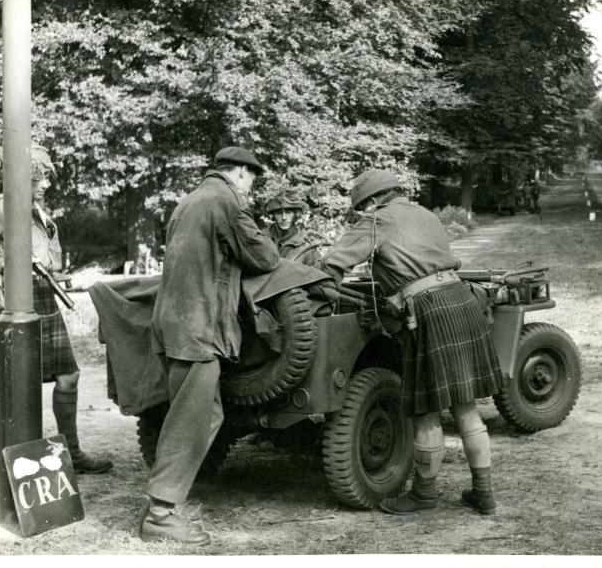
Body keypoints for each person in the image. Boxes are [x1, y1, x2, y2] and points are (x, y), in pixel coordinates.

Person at [317, 169, 504, 516]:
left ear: (371, 201)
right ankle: (485, 494)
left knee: (425, 411)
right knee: (466, 408)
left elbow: (333, 264)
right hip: (462, 301)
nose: (363, 214)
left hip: (429, 311)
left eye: (362, 208)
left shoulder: (377, 221)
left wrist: (322, 287)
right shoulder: (425, 213)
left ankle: (424, 496)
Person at [141, 146, 279, 545]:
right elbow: (264, 257)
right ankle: (160, 515)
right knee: (192, 418)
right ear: (237, 172)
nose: (251, 186)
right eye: (251, 177)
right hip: (197, 327)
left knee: (204, 415)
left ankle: (162, 500)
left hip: (174, 322)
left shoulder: (189, 201)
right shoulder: (225, 201)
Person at [0, 145, 113, 474]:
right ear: (20, 177)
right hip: (12, 301)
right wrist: (9, 263)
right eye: (37, 177)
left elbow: (53, 262)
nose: (45, 183)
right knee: (8, 378)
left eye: (45, 177)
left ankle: (71, 451)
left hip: (43, 296)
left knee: (68, 375)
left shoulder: (41, 215)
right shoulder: (1, 208)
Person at [263, 190, 319, 265]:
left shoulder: (306, 248)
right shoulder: (260, 239)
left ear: (295, 215)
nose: (284, 218)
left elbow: (316, 274)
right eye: (279, 213)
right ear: (273, 216)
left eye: (288, 212)